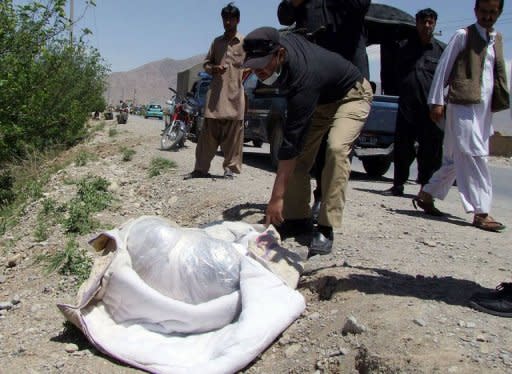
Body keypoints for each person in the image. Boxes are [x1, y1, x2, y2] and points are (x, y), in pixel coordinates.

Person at [242, 27, 373, 256]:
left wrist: (276, 198)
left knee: (335, 149)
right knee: (301, 157)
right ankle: (298, 217)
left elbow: (291, 140)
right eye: (254, 66)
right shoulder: (279, 48)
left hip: (351, 95)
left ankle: (325, 226)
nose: (259, 72)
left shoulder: (302, 74)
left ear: (280, 54)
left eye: (263, 65)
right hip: (321, 100)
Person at [413, 0, 509, 232]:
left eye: (492, 13)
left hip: (483, 110)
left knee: (456, 159)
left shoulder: (496, 38)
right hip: (461, 105)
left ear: (499, 13)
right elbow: (443, 69)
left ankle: (427, 194)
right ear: (476, 11)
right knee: (475, 155)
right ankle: (481, 211)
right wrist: (436, 101)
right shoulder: (462, 35)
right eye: (483, 12)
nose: (487, 16)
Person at [277, 0, 371, 222]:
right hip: (314, 82)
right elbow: (284, 16)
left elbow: (360, 5)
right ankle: (298, 217)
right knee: (301, 148)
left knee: (335, 147)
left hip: (348, 83)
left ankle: (325, 217)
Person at [383, 8, 445, 197]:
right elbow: (392, 74)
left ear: (434, 24)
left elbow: (447, 79)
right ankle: (398, 185)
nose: (427, 26)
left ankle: (425, 188)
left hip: (430, 109)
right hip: (407, 107)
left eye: (430, 22)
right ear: (417, 24)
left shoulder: (442, 50)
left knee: (430, 150)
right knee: (402, 148)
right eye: (423, 22)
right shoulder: (404, 48)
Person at [184, 3, 245, 180]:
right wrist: (213, 68)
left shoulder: (245, 43)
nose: (227, 22)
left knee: (233, 136)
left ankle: (230, 169)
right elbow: (206, 63)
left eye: (231, 19)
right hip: (216, 97)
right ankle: (200, 169)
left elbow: (253, 66)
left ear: (237, 20)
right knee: (207, 136)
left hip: (235, 96)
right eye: (225, 18)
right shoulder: (217, 42)